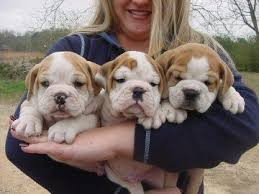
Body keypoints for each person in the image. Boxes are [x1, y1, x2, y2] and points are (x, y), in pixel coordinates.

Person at [5, 0, 259, 193]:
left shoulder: (202, 48)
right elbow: (22, 146)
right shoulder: (77, 48)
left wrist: (118, 139)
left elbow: (247, 125)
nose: (139, 1)